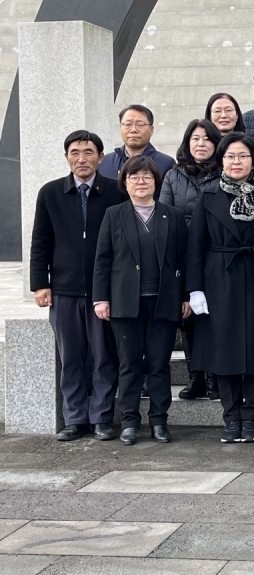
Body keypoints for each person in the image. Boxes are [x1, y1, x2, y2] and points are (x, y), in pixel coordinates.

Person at [30, 130, 126, 441]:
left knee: (103, 356)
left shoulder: (115, 192)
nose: (81, 159)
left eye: (88, 152)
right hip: (63, 290)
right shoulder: (51, 193)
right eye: (74, 152)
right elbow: (40, 242)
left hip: (103, 292)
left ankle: (100, 417)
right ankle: (74, 418)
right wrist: (40, 284)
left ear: (101, 157)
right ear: (67, 156)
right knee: (69, 357)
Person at [187, 132, 254, 443]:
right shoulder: (208, 194)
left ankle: (251, 416)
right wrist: (195, 289)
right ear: (221, 160)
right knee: (223, 353)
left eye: (243, 156)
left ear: (253, 160)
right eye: (230, 156)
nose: (236, 162)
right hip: (218, 280)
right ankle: (231, 417)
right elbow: (195, 246)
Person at [93, 156, 189, 446]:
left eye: (147, 177)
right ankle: (131, 422)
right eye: (134, 177)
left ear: (156, 182)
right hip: (125, 302)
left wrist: (185, 295)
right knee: (130, 363)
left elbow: (184, 259)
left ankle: (159, 421)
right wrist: (101, 298)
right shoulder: (114, 214)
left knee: (159, 365)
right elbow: (102, 260)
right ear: (125, 182)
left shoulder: (171, 215)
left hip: (164, 301)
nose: (141, 182)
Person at [159, 119, 223, 401]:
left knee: (214, 316)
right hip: (184, 255)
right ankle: (195, 376)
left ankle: (214, 378)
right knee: (188, 319)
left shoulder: (226, 173)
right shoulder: (173, 176)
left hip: (217, 254)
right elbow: (165, 217)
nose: (201, 144)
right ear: (187, 143)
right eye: (195, 138)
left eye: (207, 139)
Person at [99, 105, 174, 179]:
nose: (133, 130)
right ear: (120, 128)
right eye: (128, 124)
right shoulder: (104, 162)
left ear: (151, 129)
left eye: (140, 125)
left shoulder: (166, 164)